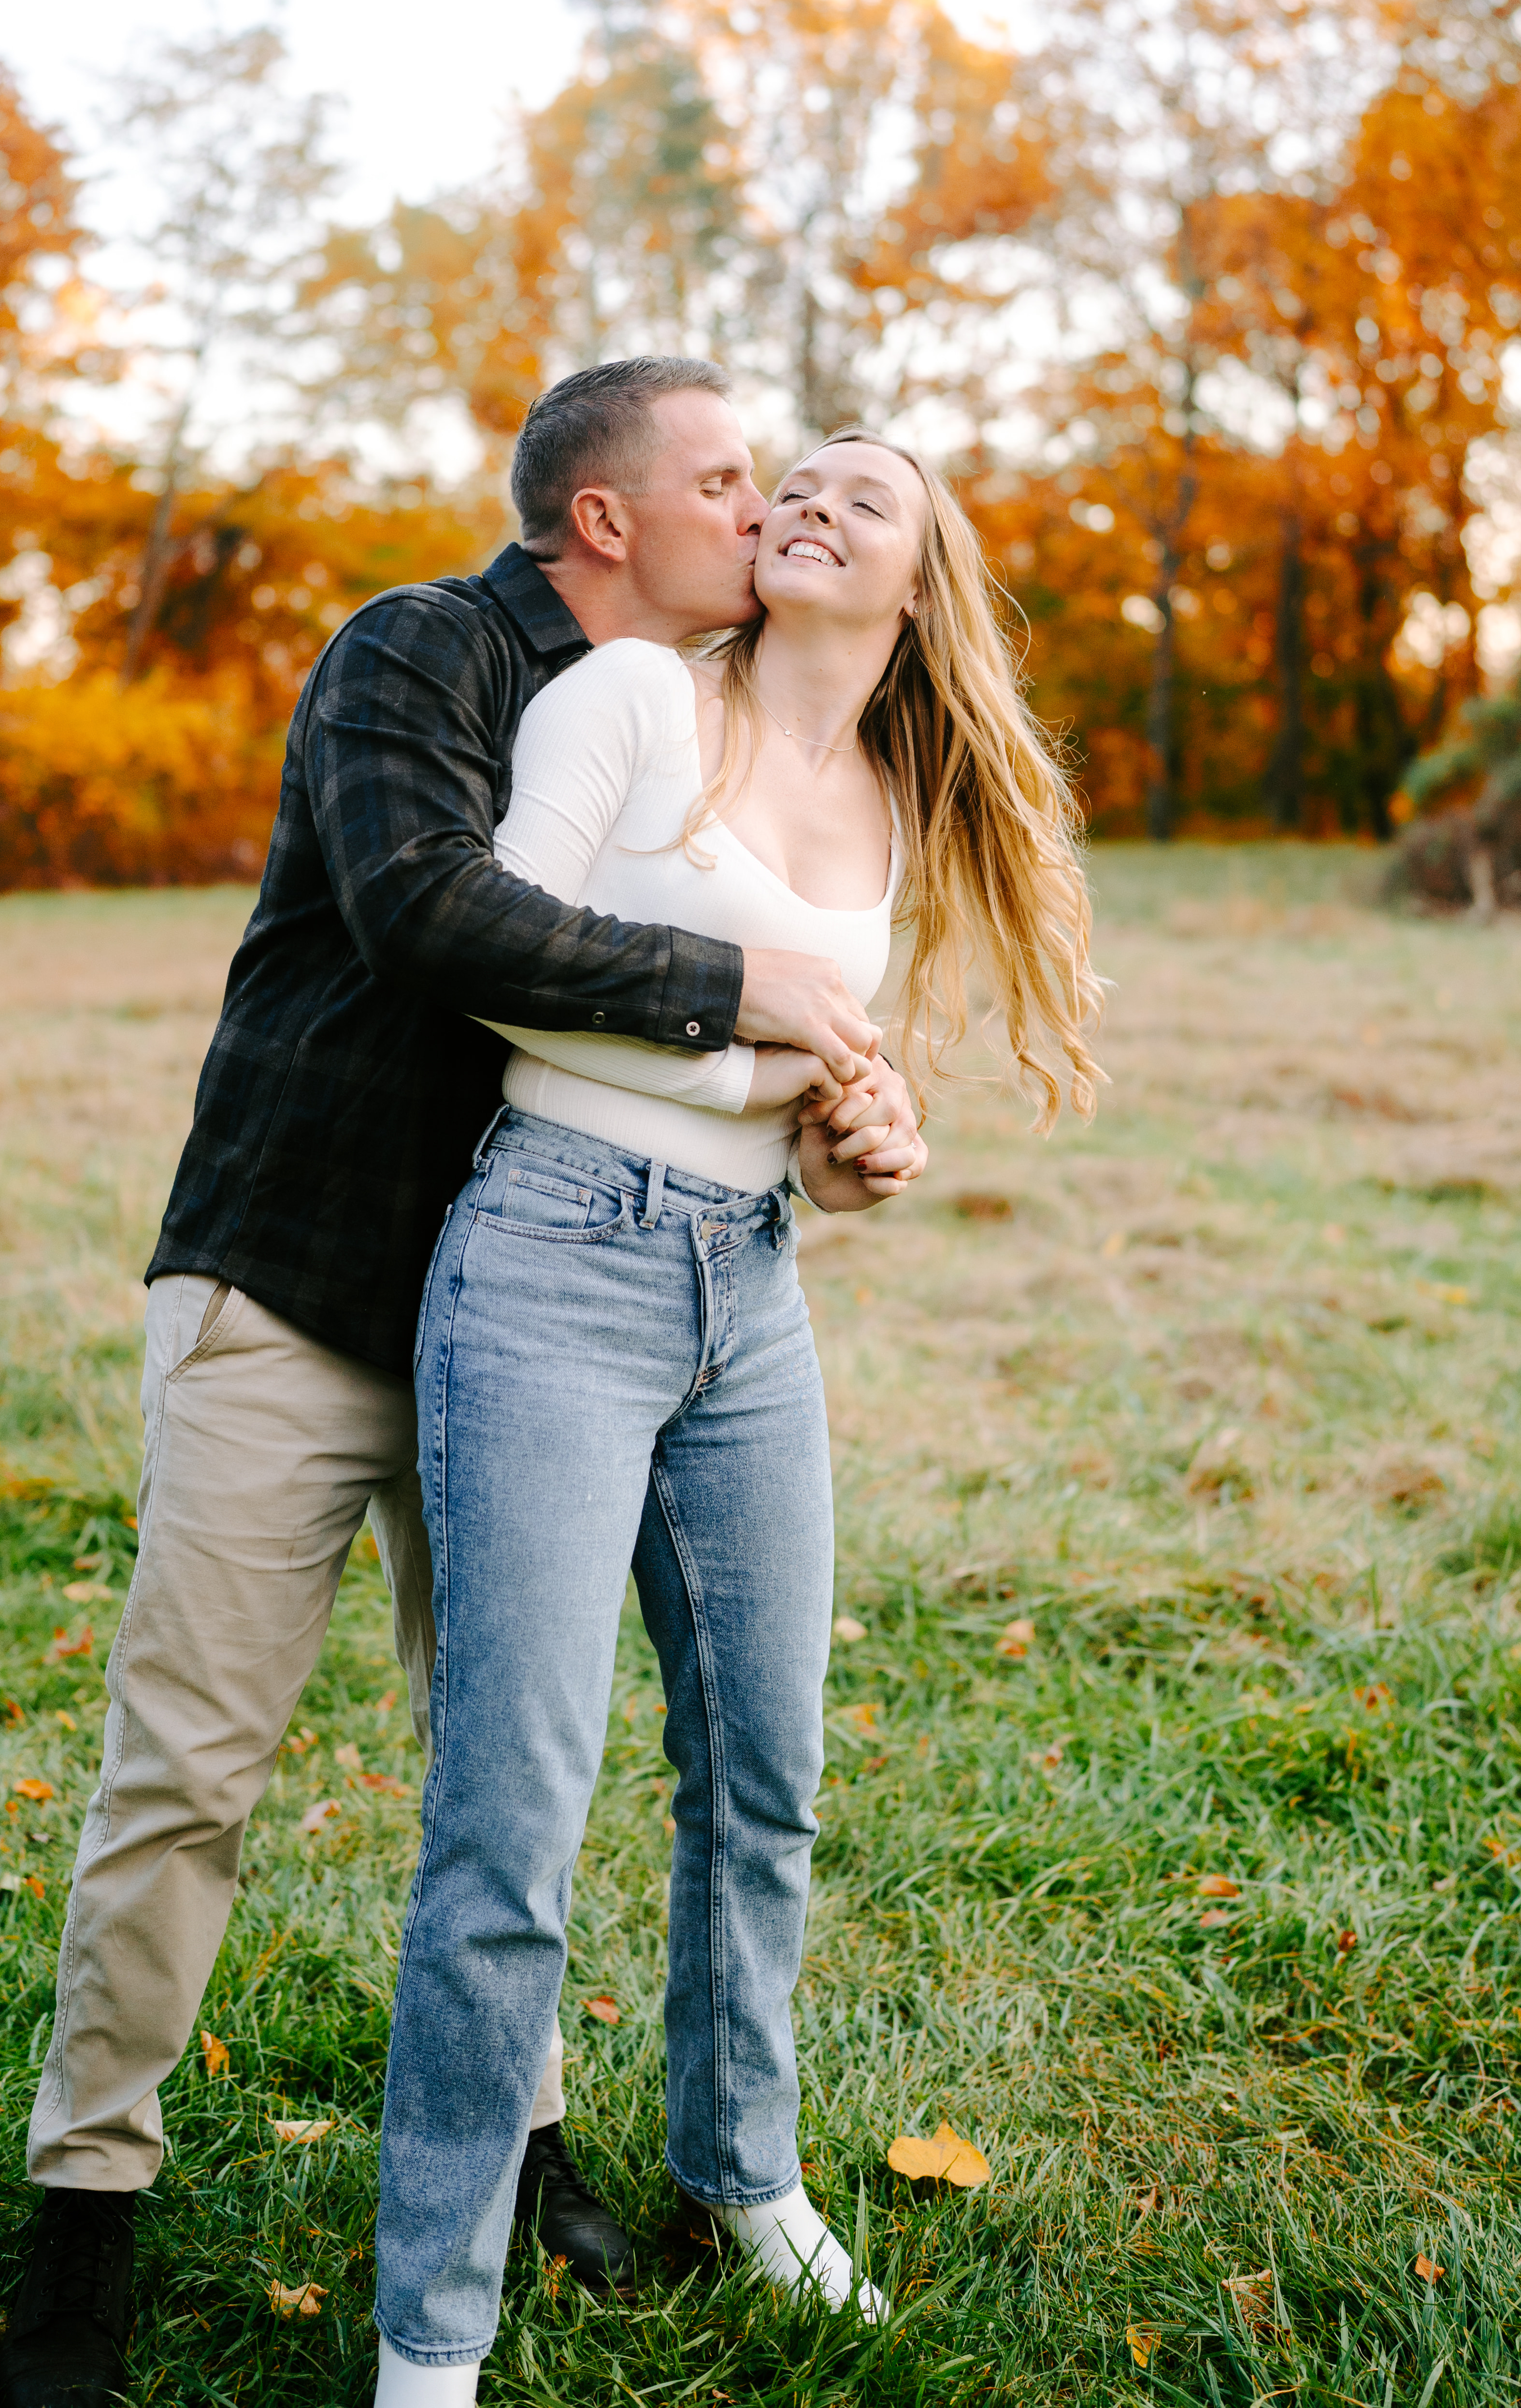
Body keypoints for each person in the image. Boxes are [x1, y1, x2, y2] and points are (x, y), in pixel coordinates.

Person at [0, 360, 926, 2408]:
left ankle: (523, 2149)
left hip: (527, 1320)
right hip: (309, 1279)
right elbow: (433, 909)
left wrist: (828, 1111)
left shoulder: (714, 734)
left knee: (506, 1750)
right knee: (195, 1755)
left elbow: (763, 1013)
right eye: (721, 483)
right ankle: (86, 2203)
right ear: (610, 521)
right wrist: (740, 994)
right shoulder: (423, 648)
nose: (757, 513)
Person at [369, 429, 1105, 2402]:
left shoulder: (887, 803)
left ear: (916, 582)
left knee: (761, 1781)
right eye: (790, 477)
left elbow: (826, 1084)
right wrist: (755, 1027)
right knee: (508, 1826)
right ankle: (430, 2336)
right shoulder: (629, 700)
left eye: (863, 496)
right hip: (548, 1265)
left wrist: (865, 1140)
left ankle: (743, 2178)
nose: (807, 499)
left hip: (749, 1297)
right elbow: (485, 968)